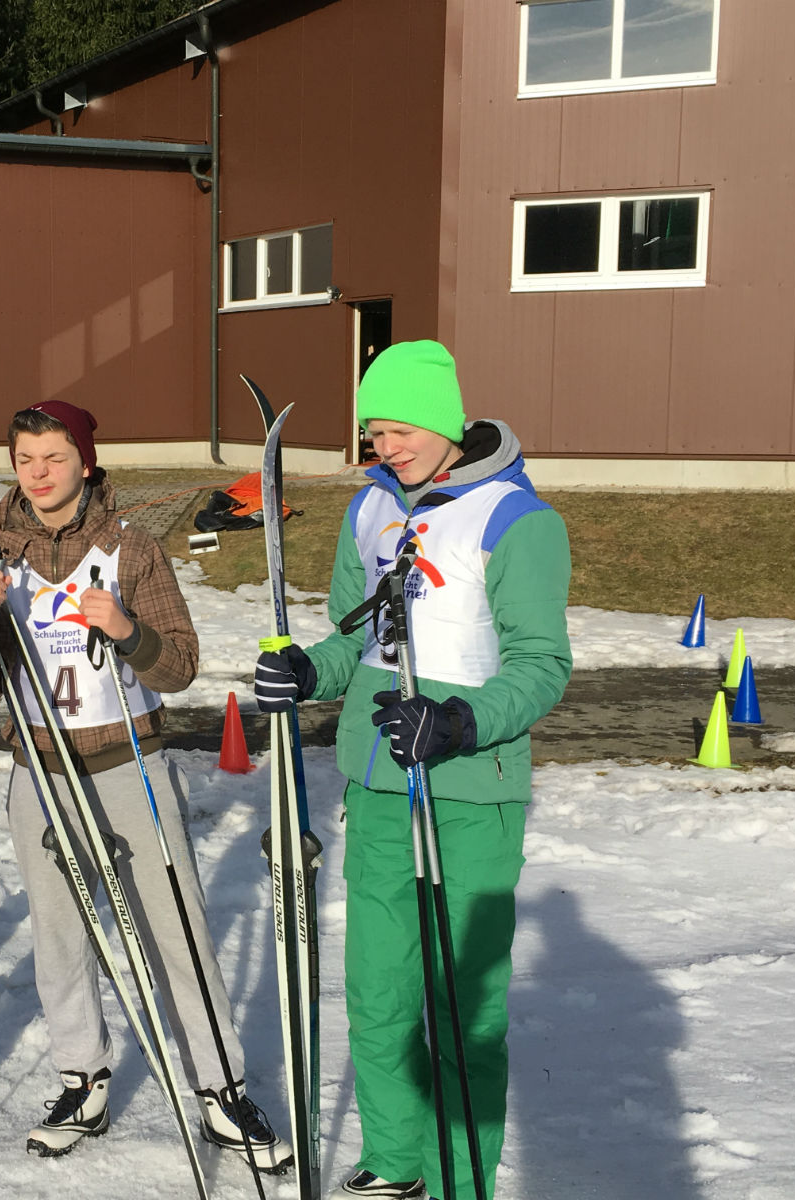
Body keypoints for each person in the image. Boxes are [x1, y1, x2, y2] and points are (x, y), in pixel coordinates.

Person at [252, 340, 571, 1200]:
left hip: (472, 788)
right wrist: (306, 671)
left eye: (400, 430)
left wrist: (460, 720)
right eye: (374, 432)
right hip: (379, 783)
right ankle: (396, 1161)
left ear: (444, 422)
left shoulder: (516, 520)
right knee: (380, 991)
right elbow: (356, 638)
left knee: (464, 1006)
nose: (385, 447)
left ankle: (459, 1178)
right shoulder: (370, 511)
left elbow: (543, 666)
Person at [0, 400, 288, 1166]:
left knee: (176, 930)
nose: (39, 473)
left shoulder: (131, 550)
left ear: (85, 462)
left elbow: (181, 666)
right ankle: (83, 1080)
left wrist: (128, 631)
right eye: (26, 459)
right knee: (61, 935)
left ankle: (220, 1087)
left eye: (55, 457)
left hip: (129, 765)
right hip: (41, 776)